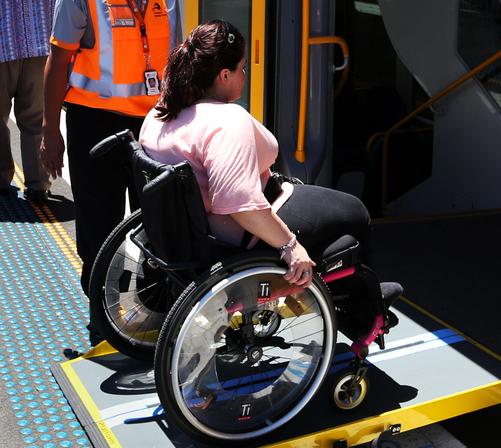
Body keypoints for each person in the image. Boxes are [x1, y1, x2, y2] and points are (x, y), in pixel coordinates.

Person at [139, 20, 400, 328]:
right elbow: (241, 205)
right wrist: (291, 246)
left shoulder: (161, 112)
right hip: (237, 232)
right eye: (241, 68)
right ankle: (366, 315)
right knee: (353, 213)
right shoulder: (226, 121)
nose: (245, 75)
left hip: (186, 232)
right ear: (224, 75)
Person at [41, 0, 182, 347]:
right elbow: (58, 60)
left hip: (152, 123)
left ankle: (154, 312)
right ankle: (101, 321)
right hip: (94, 122)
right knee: (98, 226)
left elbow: (176, 60)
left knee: (156, 224)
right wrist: (49, 130)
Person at [0, 0, 54, 202]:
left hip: (3, 43)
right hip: (38, 42)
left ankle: (1, 179)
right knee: (35, 119)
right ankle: (38, 184)